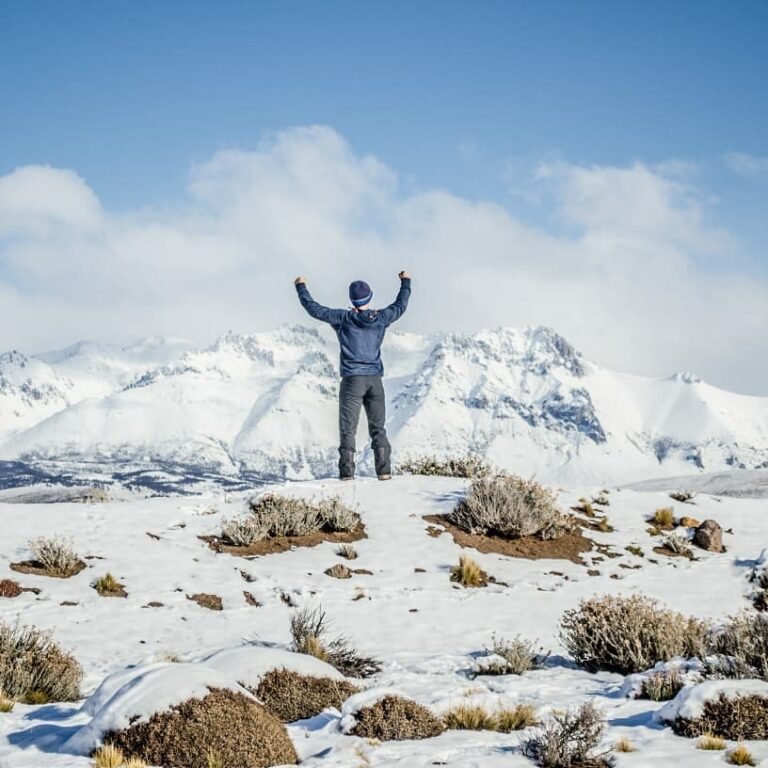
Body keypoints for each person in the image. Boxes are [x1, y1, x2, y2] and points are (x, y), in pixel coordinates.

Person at [294, 271, 412, 481]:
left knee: (348, 428)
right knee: (378, 428)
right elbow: (400, 305)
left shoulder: (343, 318)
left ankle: (347, 473)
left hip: (352, 381)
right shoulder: (381, 318)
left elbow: (314, 309)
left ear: (352, 299)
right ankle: (384, 471)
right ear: (369, 297)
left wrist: (301, 286)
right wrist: (405, 281)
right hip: (375, 380)